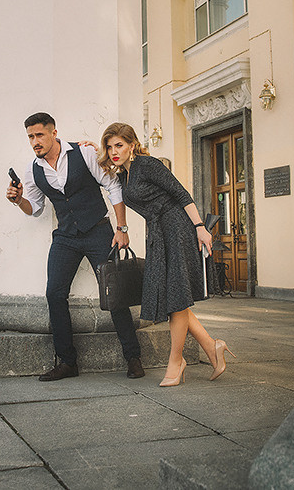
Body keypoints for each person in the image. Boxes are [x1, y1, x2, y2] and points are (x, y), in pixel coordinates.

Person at [6, 112, 144, 381]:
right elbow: (34, 209)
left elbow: (112, 186)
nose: (35, 141)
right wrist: (18, 200)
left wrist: (122, 228)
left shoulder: (84, 153)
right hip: (66, 236)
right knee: (54, 294)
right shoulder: (33, 169)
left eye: (39, 135)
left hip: (98, 230)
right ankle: (67, 362)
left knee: (114, 291)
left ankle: (133, 357)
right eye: (30, 137)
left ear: (53, 133)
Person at [98, 122, 234, 387]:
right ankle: (212, 346)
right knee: (174, 296)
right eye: (109, 146)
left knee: (176, 297)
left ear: (132, 144)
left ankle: (176, 361)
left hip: (177, 228)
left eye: (119, 145)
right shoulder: (125, 175)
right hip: (158, 233)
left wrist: (199, 227)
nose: (114, 151)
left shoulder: (148, 165)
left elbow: (180, 193)